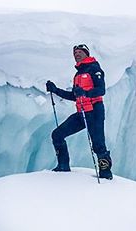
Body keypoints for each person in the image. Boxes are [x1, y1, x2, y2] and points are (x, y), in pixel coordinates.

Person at [46, 44, 113, 179]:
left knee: (98, 145)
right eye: (75, 52)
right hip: (82, 112)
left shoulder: (94, 68)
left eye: (79, 52)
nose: (76, 54)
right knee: (57, 135)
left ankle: (106, 174)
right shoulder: (78, 74)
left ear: (86, 53)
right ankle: (63, 166)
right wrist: (55, 90)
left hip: (95, 111)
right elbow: (74, 96)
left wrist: (85, 92)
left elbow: (101, 90)